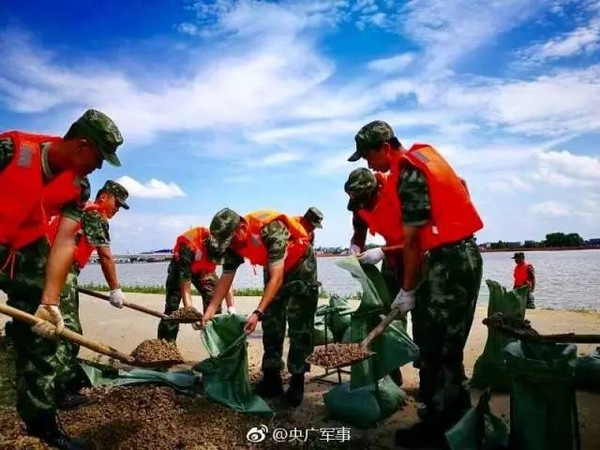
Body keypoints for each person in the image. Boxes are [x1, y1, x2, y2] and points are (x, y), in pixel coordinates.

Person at [348, 120, 484, 447]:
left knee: (439, 347)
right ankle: (446, 417)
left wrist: (407, 290)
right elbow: (461, 186)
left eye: (368, 155)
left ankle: (443, 430)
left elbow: (412, 241)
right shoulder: (423, 158)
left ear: (384, 147)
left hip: (448, 261)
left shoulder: (408, 172)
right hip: (459, 256)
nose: (369, 164)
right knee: (442, 346)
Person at [0, 109, 123, 450]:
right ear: (82, 146)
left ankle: (40, 422)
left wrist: (49, 303)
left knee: (44, 339)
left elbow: (66, 241)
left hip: (24, 246)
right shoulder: (10, 150)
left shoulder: (78, 186)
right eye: (99, 158)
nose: (98, 168)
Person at [202, 208, 319, 407]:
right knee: (272, 323)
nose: (229, 246)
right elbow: (226, 277)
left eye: (230, 241)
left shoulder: (270, 229)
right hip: (275, 267)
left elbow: (277, 278)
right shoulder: (232, 242)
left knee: (300, 325)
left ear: (240, 228)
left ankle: (297, 378)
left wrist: (257, 312)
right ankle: (272, 377)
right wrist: (211, 310)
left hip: (300, 267)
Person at [47, 180, 130, 410]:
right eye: (116, 202)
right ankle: (59, 391)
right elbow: (105, 256)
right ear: (103, 197)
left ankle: (66, 380)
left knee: (63, 329)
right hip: (60, 271)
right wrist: (115, 290)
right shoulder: (95, 215)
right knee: (69, 331)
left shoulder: (85, 213)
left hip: (59, 268)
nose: (116, 209)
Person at [344, 167, 405, 386]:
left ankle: (429, 380)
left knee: (424, 321)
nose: (361, 207)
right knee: (385, 314)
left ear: (376, 190)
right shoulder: (360, 204)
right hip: (392, 260)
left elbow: (419, 240)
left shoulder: (399, 194)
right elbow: (359, 230)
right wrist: (355, 246)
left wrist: (382, 251)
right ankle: (392, 369)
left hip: (416, 259)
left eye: (363, 201)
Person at [157, 226, 234, 342]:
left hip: (203, 269)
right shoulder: (188, 247)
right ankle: (166, 345)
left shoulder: (224, 246)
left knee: (214, 297)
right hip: (180, 267)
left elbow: (227, 278)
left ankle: (216, 341)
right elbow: (185, 285)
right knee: (172, 306)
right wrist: (190, 312)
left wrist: (231, 307)